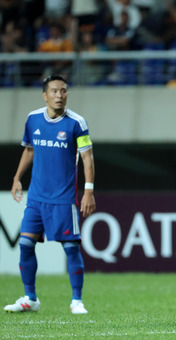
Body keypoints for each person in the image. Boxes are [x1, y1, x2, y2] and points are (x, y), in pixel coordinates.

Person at [4, 74, 96, 315]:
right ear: (45, 95)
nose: (59, 95)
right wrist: (16, 178)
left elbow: (87, 158)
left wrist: (88, 191)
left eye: (63, 91)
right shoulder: (33, 119)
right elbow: (29, 149)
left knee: (71, 248)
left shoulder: (77, 123)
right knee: (25, 244)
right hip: (36, 197)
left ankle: (77, 301)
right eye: (54, 91)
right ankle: (30, 298)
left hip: (64, 199)